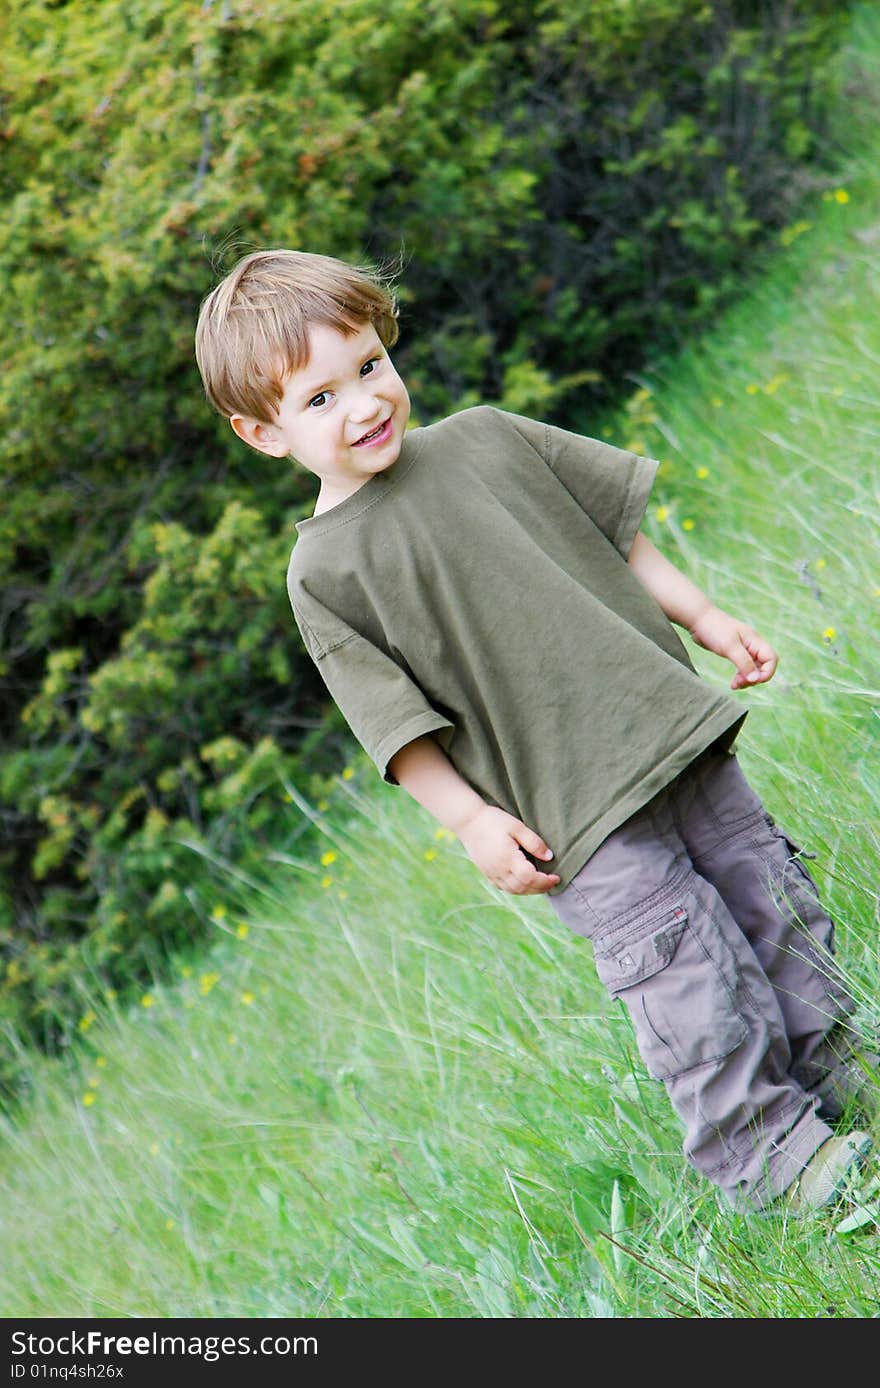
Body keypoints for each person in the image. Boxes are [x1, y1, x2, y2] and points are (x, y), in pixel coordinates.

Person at [194, 247, 875, 1215]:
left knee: (767, 896)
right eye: (318, 398)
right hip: (567, 808)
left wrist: (707, 617)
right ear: (262, 433)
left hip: (661, 726)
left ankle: (841, 1072)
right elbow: (395, 728)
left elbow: (614, 532)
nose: (362, 402)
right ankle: (770, 1153)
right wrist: (473, 823)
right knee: (680, 969)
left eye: (368, 366)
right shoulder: (324, 572)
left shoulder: (484, 438)